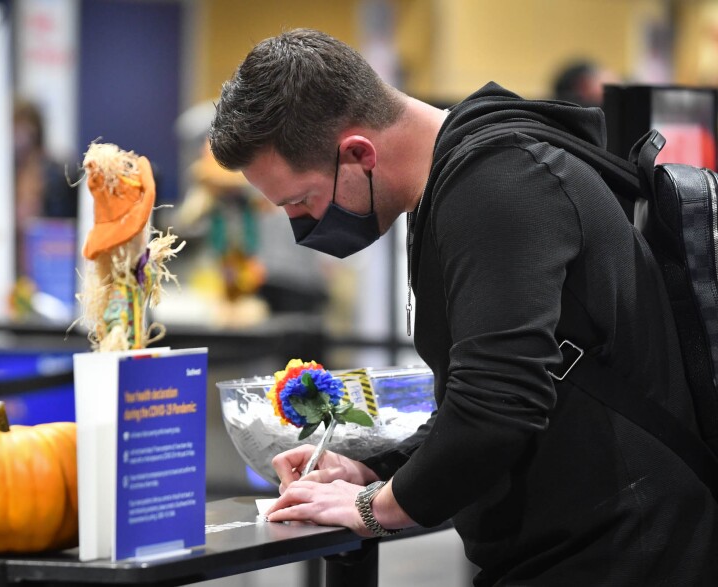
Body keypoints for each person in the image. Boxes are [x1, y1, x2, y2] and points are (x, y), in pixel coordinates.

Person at [208, 29, 718, 585]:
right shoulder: (474, 176)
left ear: (358, 153)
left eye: (302, 200)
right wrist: (371, 470)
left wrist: (372, 508)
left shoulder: (498, 181)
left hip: (620, 552)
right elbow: (486, 392)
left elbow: (498, 404)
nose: (302, 225)